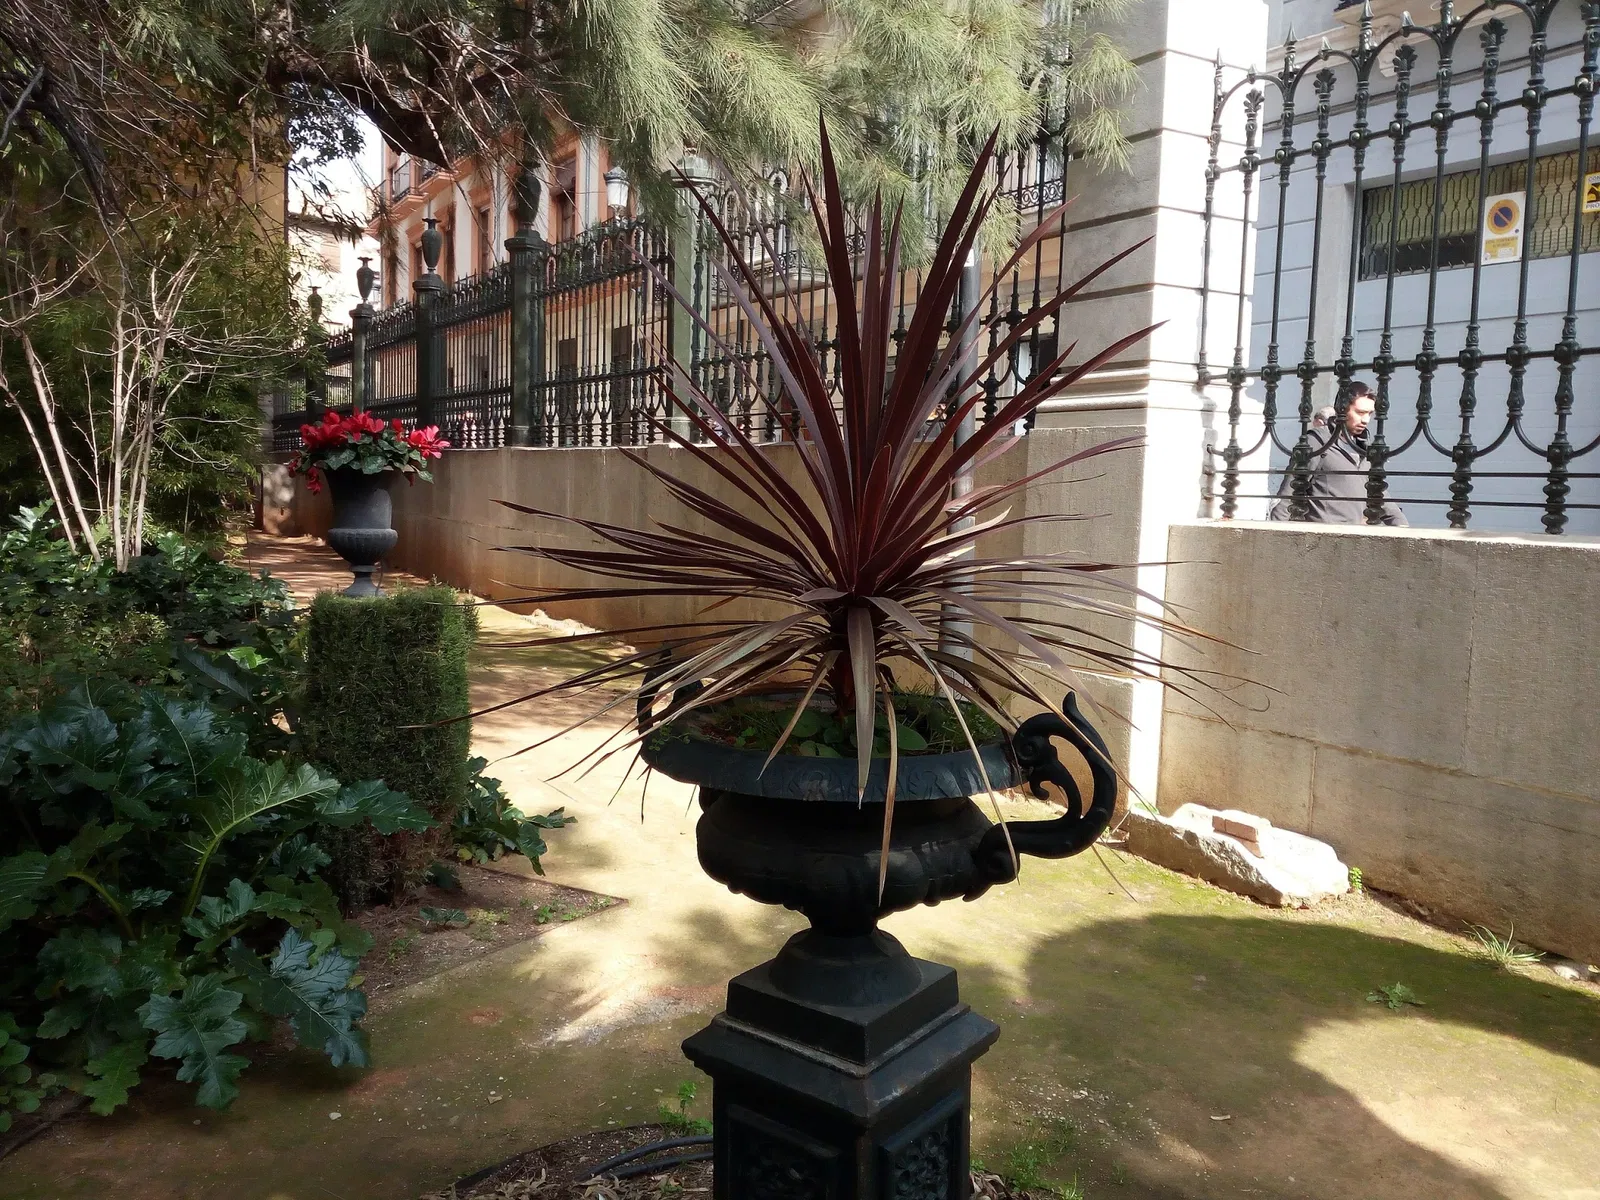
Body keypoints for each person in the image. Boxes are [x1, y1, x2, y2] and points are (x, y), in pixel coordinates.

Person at [1269, 383, 1408, 526]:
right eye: (1360, 412)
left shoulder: (1365, 450)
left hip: (1356, 540)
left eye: (1370, 413)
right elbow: (1288, 495)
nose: (1366, 420)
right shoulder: (1318, 441)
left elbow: (1380, 495)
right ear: (1342, 410)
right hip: (1321, 540)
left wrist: (1402, 527)